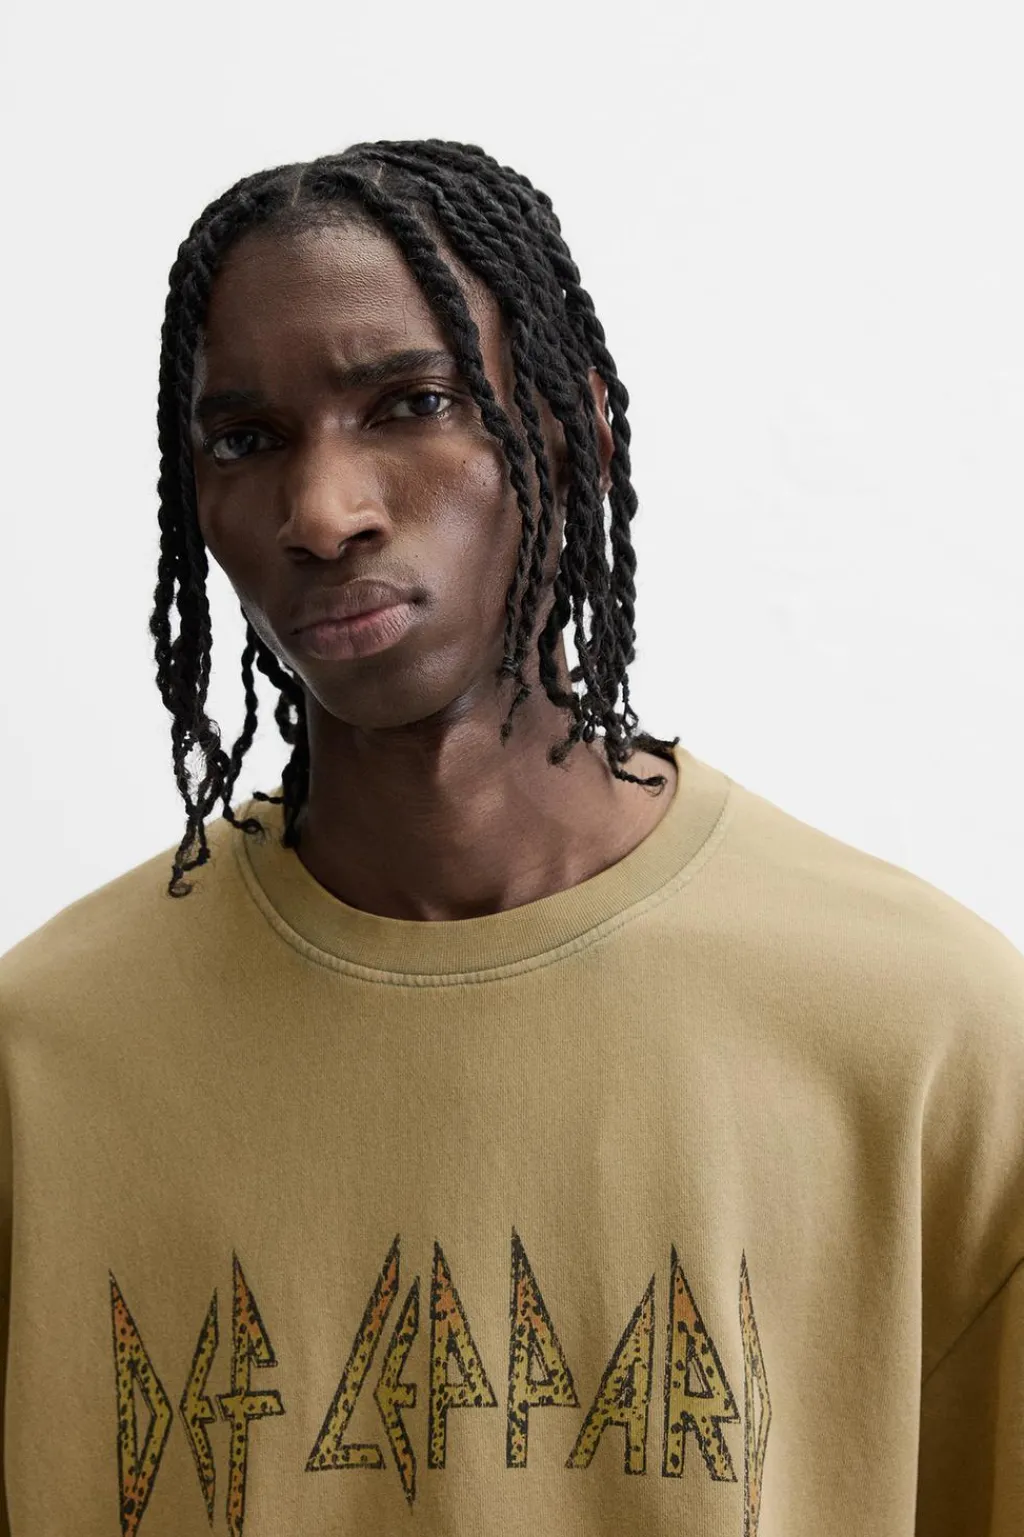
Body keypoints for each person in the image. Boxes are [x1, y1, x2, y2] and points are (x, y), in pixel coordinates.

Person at [0, 138, 1020, 1537]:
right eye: (245, 441)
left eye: (412, 404)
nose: (323, 513)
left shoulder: (927, 1037)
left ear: (574, 429)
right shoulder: (43, 1060)